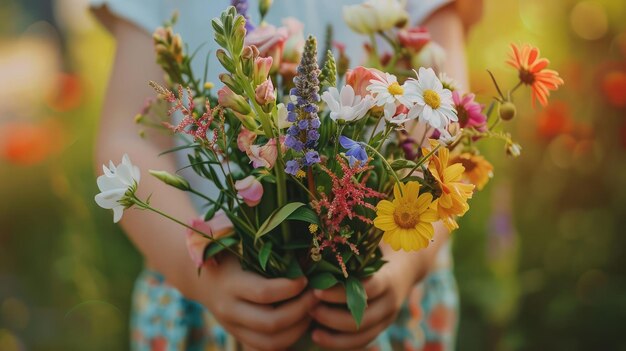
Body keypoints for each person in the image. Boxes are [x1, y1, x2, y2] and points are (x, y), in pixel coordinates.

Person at [90, 0, 482, 350]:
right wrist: (199, 280)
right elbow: (127, 137)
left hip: (384, 281)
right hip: (205, 292)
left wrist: (404, 264)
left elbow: (449, 128)